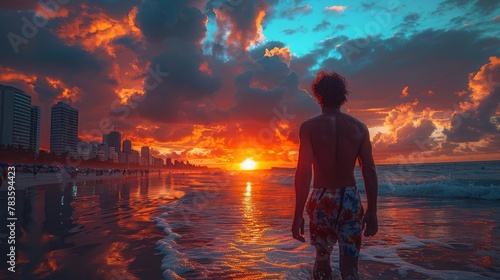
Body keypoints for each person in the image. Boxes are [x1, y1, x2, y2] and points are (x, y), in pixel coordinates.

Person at [292, 71, 378, 280]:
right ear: (343, 96)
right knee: (350, 268)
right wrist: (373, 210)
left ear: (318, 96)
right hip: (350, 200)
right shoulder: (360, 128)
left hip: (322, 200)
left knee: (322, 263)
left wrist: (297, 216)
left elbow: (303, 171)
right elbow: (369, 170)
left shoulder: (309, 127)